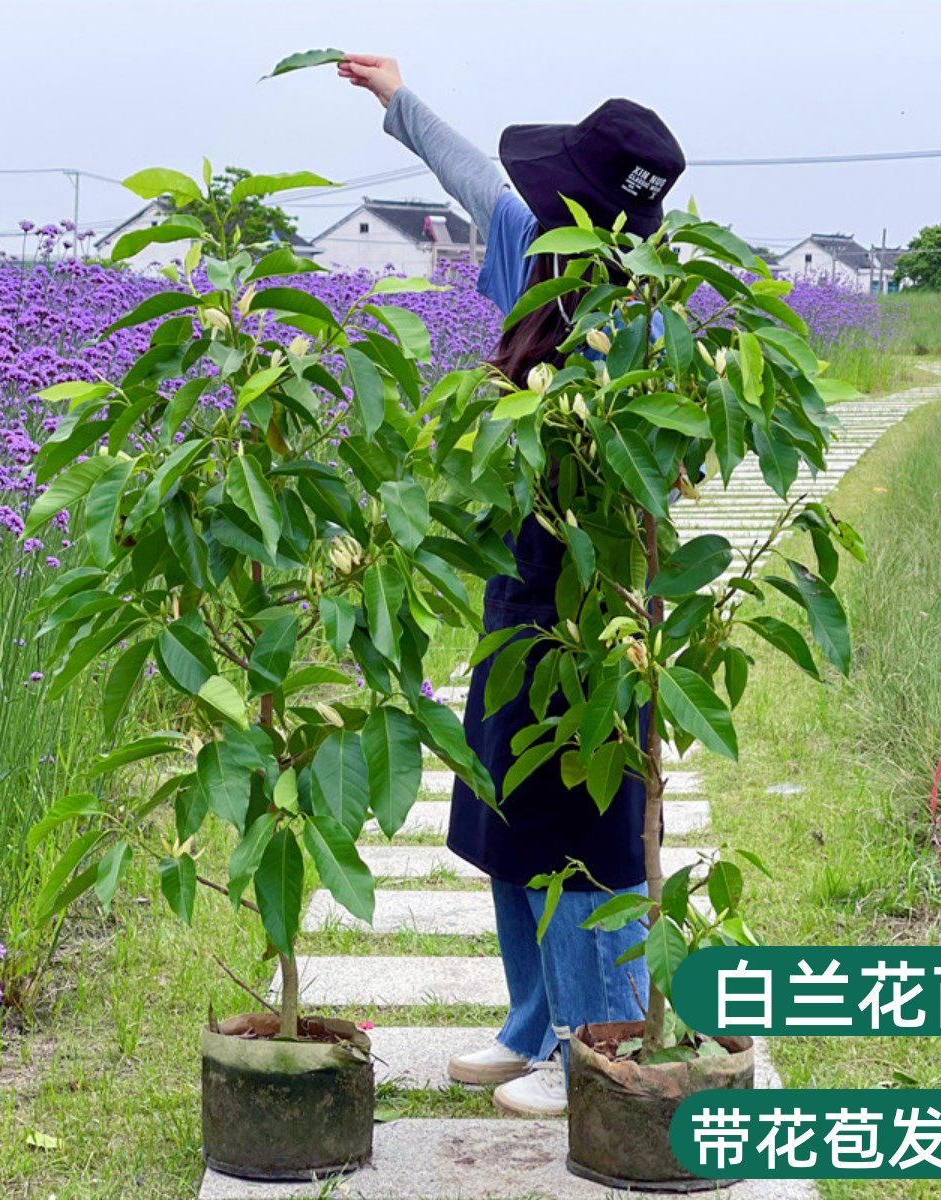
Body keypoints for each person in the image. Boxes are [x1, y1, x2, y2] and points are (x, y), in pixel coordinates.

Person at [339, 53, 686, 1116]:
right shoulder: (529, 256)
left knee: (591, 831)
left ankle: (598, 1041)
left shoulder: (645, 326)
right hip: (517, 597)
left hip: (600, 614)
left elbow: (664, 484)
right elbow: (469, 180)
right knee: (505, 820)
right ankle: (531, 1027)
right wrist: (395, 98)